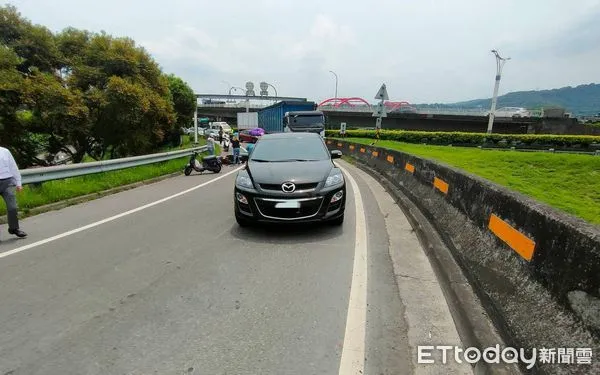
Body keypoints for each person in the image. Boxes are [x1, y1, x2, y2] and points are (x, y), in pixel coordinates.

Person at [0, 146, 27, 238]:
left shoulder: (5, 151)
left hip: (8, 182)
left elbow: (13, 167)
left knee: (12, 207)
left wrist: (19, 182)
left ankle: (13, 228)